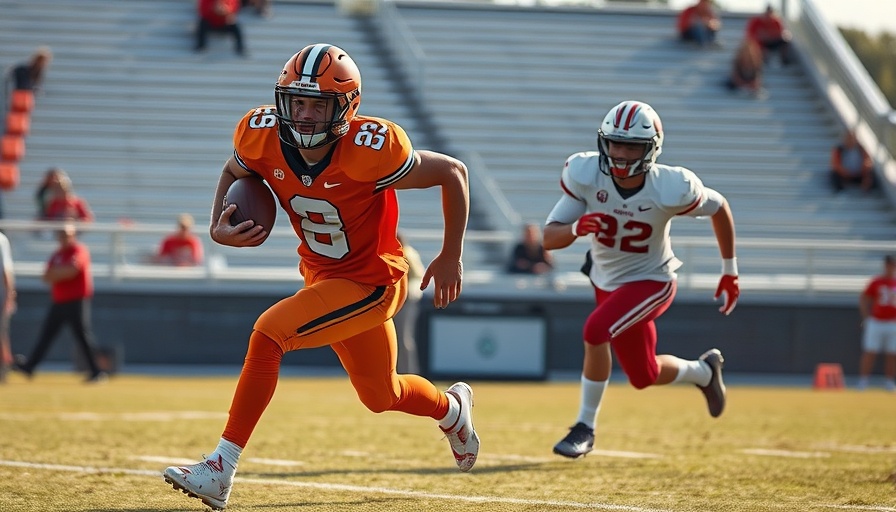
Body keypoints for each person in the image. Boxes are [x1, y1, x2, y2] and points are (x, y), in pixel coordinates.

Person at [162, 43, 478, 511]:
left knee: (269, 335)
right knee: (380, 393)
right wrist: (216, 224)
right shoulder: (262, 135)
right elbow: (234, 169)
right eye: (298, 103)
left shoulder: (371, 149)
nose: (305, 115)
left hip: (373, 282)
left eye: (318, 105)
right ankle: (452, 411)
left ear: (346, 107)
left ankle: (220, 467)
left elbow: (452, 172)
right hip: (322, 276)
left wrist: (451, 255)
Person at [542, 100, 739, 459]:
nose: (619, 153)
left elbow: (720, 206)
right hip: (606, 281)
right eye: (615, 143)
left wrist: (730, 269)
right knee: (643, 374)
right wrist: (575, 228)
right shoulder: (586, 173)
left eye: (631, 145)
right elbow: (549, 237)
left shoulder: (671, 186)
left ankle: (585, 426)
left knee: (595, 330)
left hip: (652, 280)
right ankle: (703, 372)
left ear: (651, 149)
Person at [13, 224, 106, 383]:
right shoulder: (57, 254)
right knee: (46, 335)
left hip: (77, 301)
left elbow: (72, 271)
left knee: (82, 337)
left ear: (73, 235)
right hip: (60, 301)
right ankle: (30, 366)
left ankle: (96, 371)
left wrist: (58, 273)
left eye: (66, 234)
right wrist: (61, 272)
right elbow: (46, 276)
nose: (63, 238)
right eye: (60, 234)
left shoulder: (79, 250)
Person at [857, 255, 896, 392]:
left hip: (893, 322)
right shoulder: (876, 282)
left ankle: (889, 381)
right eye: (889, 265)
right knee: (870, 351)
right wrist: (866, 317)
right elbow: (864, 298)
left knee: (892, 353)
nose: (890, 268)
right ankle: (863, 381)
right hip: (877, 321)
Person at [393, 232, 424, 374]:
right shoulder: (397, 253)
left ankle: (409, 373)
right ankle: (399, 373)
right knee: (397, 339)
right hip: (396, 302)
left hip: (406, 302)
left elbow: (417, 279)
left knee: (404, 339)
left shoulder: (407, 254)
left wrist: (408, 295)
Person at [0, 231, 16, 383]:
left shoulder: (1, 240)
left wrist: (9, 296)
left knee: (1, 335)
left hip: (0, 296)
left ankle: (3, 369)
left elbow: (6, 270)